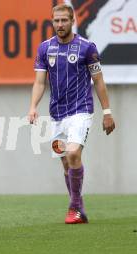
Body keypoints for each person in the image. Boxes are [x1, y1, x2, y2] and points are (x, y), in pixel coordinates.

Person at [28, 4, 115, 224]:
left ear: (72, 20)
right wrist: (33, 107)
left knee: (73, 154)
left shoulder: (87, 47)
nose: (59, 24)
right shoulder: (45, 48)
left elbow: (98, 81)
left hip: (81, 110)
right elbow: (39, 82)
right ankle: (79, 207)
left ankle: (74, 206)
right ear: (52, 21)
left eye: (64, 20)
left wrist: (107, 112)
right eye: (56, 21)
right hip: (56, 114)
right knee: (66, 163)